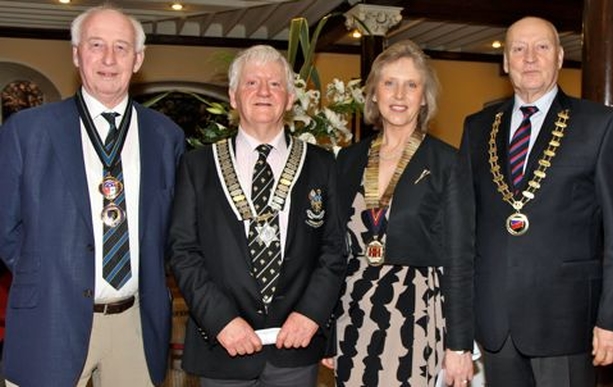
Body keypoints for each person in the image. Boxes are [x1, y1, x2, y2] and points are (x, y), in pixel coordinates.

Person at [0, 5, 185, 386]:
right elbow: (6, 226)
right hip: (49, 319)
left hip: (135, 324)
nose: (108, 58)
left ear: (138, 59)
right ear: (76, 53)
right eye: (96, 44)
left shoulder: (166, 137)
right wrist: (50, 275)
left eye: (121, 47)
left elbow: (172, 230)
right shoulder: (27, 131)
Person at [454, 16, 613, 386]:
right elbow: (465, 231)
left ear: (558, 57)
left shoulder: (600, 125)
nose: (529, 58)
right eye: (518, 49)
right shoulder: (477, 128)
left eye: (541, 47)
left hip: (568, 322)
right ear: (505, 61)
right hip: (497, 323)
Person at [167, 44, 347, 387]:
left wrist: (311, 315)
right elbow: (183, 251)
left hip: (295, 344)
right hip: (223, 345)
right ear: (234, 97)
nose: (264, 92)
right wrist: (221, 321)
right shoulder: (198, 166)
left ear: (291, 98)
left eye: (275, 84)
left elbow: (334, 248)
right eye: (251, 83)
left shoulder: (321, 164)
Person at [320, 40, 474, 387]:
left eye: (411, 85)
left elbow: (460, 258)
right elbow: (332, 251)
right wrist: (329, 330)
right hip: (353, 310)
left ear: (424, 97)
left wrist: (459, 344)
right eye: (389, 83)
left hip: (415, 312)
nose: (399, 94)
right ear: (373, 93)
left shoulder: (447, 162)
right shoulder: (347, 161)